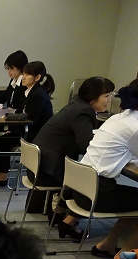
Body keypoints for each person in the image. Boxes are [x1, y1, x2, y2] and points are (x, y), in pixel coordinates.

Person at [76, 77, 138, 256]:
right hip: (99, 193)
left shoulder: (119, 118)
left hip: (82, 187)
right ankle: (123, 258)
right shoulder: (135, 127)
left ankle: (107, 244)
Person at [33, 77, 115, 240]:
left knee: (83, 171)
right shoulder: (84, 111)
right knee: (96, 180)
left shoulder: (77, 105)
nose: (109, 100)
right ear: (93, 97)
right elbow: (86, 145)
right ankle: (68, 220)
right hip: (50, 170)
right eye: (106, 96)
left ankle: (60, 212)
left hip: (41, 163)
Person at [0, 61, 55, 185]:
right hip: (27, 130)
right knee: (5, 137)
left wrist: (12, 124)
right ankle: (0, 172)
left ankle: (2, 175)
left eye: (27, 75)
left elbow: (31, 119)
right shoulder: (29, 91)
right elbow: (21, 111)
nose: (23, 77)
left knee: (6, 140)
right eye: (23, 74)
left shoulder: (38, 94)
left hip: (36, 135)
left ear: (37, 77)